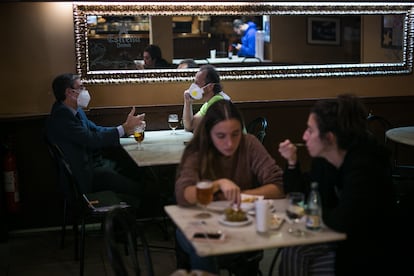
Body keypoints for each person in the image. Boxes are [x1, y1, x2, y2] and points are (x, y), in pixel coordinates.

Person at [277, 94, 397, 276]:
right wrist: (292, 163)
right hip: (340, 238)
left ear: (330, 138)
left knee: (297, 253)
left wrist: (312, 209)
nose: (304, 136)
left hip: (369, 252)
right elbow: (300, 196)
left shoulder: (366, 166)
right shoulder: (325, 159)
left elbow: (342, 220)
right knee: (294, 250)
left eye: (310, 130)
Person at [175, 100, 284, 275]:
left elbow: (277, 187)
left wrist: (240, 195)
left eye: (235, 134)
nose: (229, 143)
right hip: (198, 223)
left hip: (239, 222)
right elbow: (183, 194)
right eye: (221, 136)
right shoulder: (198, 149)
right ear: (209, 133)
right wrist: (218, 185)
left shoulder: (249, 143)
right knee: (204, 247)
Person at [45, 73, 146, 208]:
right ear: (69, 92)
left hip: (95, 165)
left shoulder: (75, 111)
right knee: (139, 188)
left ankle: (130, 220)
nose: (85, 90)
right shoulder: (61, 116)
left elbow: (96, 130)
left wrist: (125, 130)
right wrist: (123, 128)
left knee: (134, 171)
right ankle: (136, 219)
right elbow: (91, 139)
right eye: (81, 87)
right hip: (85, 176)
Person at [182, 64, 231, 132]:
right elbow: (189, 126)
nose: (194, 87)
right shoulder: (209, 103)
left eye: (197, 83)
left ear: (210, 86)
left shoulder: (218, 102)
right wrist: (188, 102)